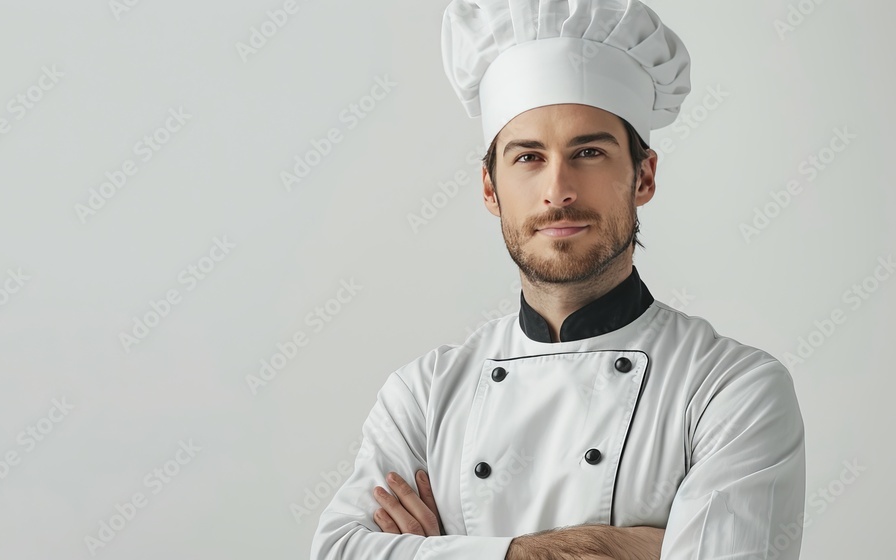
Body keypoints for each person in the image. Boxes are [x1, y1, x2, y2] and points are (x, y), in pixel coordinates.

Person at [309, 1, 806, 558]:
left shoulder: (730, 389)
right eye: (528, 158)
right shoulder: (423, 396)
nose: (558, 190)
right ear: (490, 189)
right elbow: (339, 549)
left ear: (643, 177)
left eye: (589, 152)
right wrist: (598, 550)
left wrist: (450, 549)